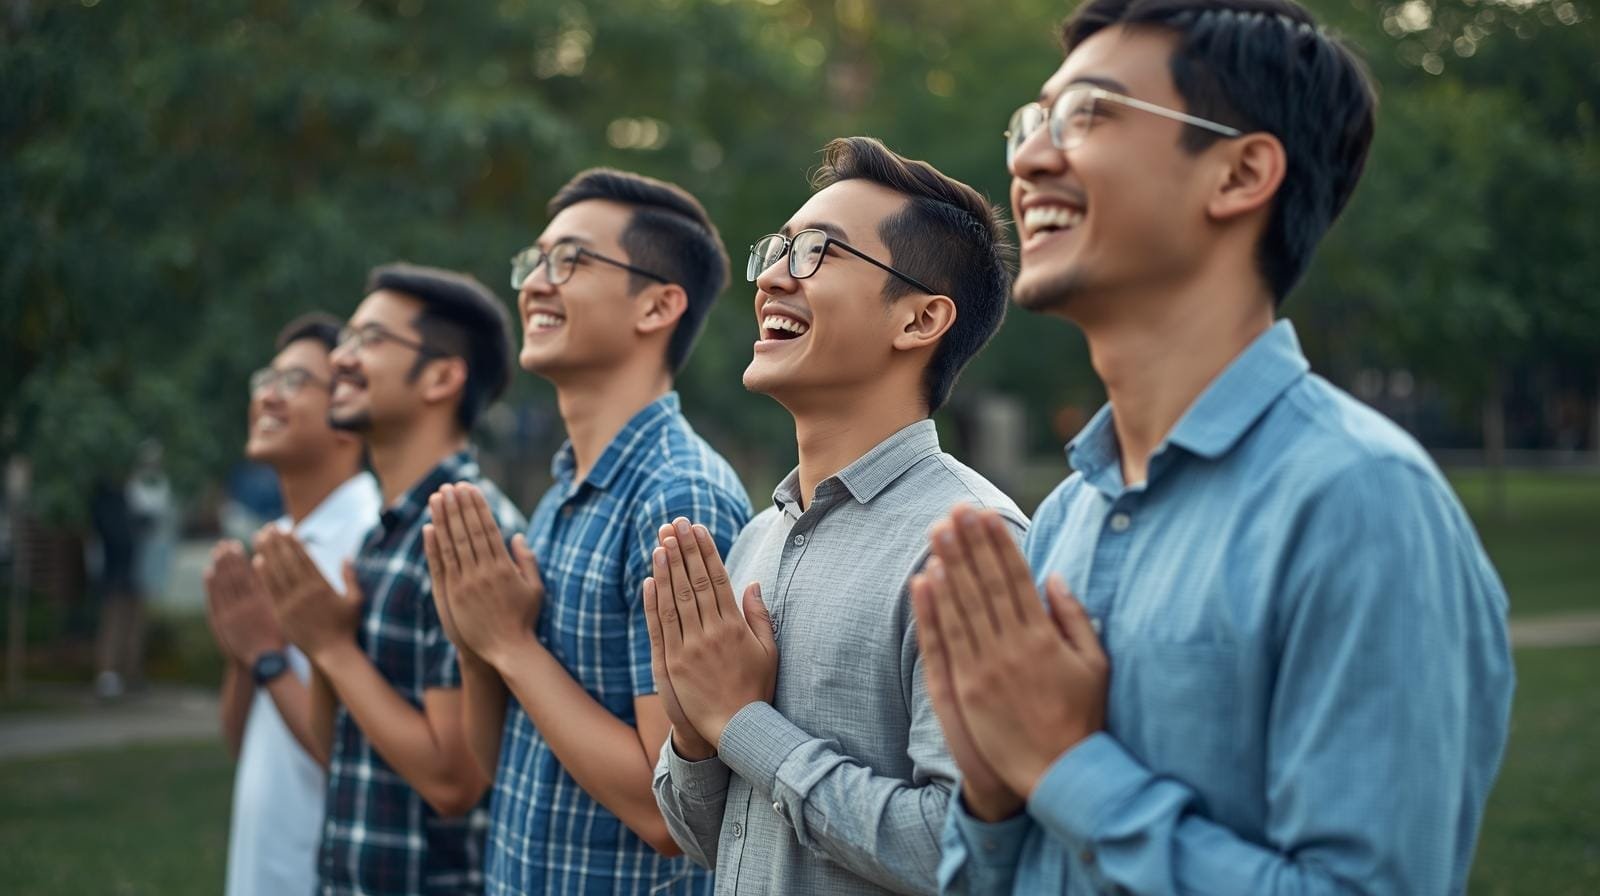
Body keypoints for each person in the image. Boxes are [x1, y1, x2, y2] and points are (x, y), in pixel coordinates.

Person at [919, 2, 1514, 893]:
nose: (1030, 157)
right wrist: (994, 799)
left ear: (1240, 173)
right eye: (1033, 121)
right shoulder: (1068, 517)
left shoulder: (1359, 500)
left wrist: (1065, 767)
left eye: (1087, 114)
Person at [648, 136, 1025, 894]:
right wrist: (693, 732)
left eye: (816, 252)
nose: (773, 277)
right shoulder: (757, 537)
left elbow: (961, 854)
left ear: (919, 320)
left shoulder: (971, 543)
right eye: (777, 250)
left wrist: (740, 723)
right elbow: (707, 841)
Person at [424, 168, 750, 895]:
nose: (535, 285)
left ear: (657, 305)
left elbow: (672, 813)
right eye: (534, 262)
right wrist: (476, 644)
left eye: (569, 260)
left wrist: (510, 645)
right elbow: (502, 763)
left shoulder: (676, 496)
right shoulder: (564, 490)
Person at [253, 264, 525, 895]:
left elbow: (454, 782)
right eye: (345, 340)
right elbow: (340, 747)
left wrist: (330, 647)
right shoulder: (382, 535)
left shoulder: (466, 528)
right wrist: (322, 642)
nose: (340, 360)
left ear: (441, 377)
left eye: (369, 340)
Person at [204, 312, 381, 896]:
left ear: (347, 417)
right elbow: (240, 740)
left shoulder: (368, 541)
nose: (268, 397)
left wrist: (267, 656)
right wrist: (245, 651)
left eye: (294, 382)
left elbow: (363, 755)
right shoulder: (278, 541)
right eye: (266, 380)